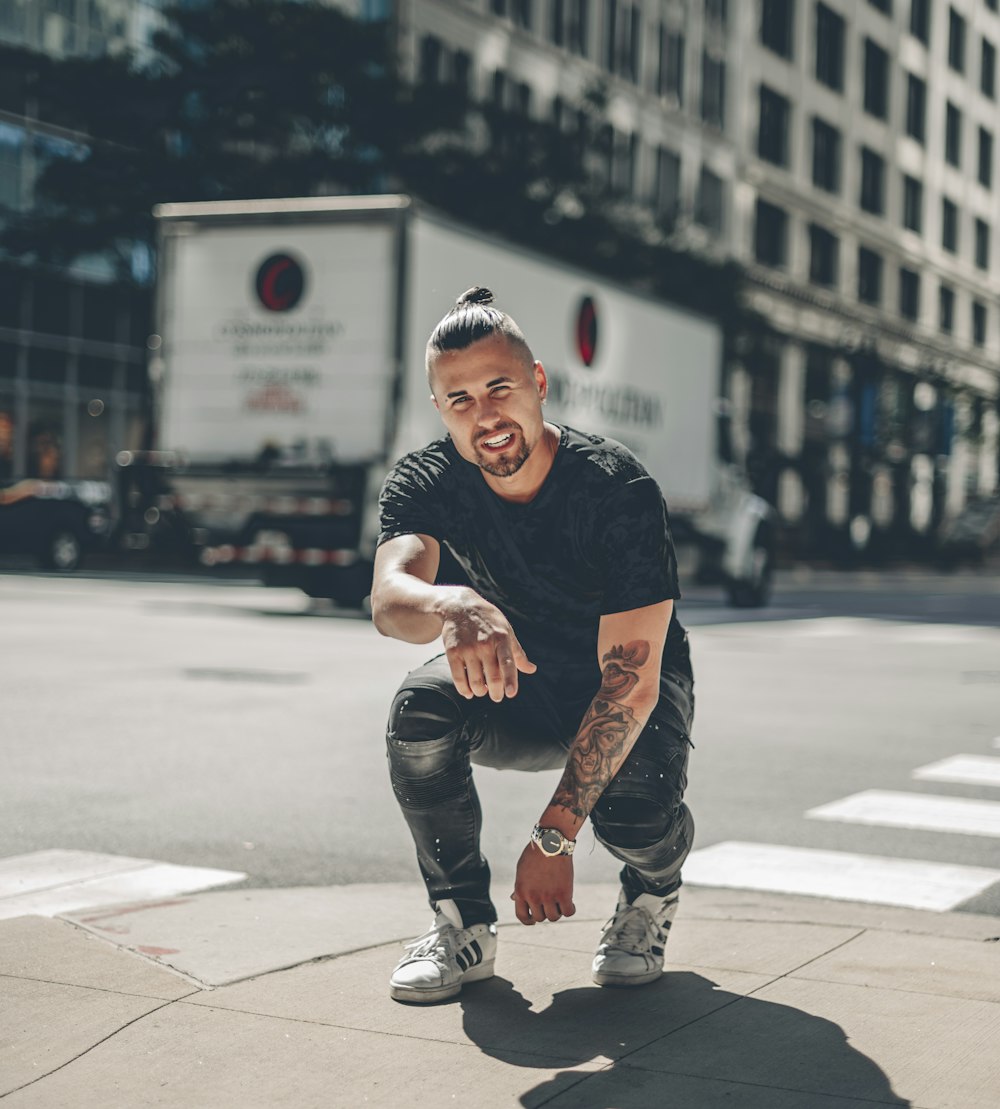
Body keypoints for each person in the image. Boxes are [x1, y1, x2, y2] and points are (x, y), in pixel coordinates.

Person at [371, 287, 695, 1004]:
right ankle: (462, 923)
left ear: (539, 383)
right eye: (459, 399)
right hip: (523, 685)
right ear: (440, 408)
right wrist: (449, 600)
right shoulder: (429, 479)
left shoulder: (617, 490)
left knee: (631, 810)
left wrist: (553, 837)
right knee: (419, 710)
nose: (484, 416)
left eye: (500, 388)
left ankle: (652, 889)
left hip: (627, 690)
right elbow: (391, 599)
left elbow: (629, 683)